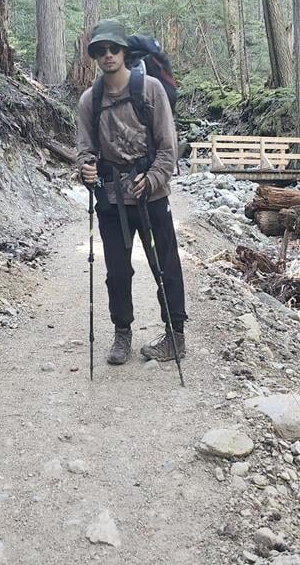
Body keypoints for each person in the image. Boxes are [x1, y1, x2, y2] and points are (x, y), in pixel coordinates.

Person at [76, 19, 187, 366]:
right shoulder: (89, 101)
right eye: (100, 50)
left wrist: (152, 179)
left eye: (113, 49)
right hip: (111, 200)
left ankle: (175, 337)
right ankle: (122, 334)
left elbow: (168, 148)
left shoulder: (150, 90)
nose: (107, 55)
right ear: (94, 56)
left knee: (165, 266)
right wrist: (86, 169)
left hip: (152, 198)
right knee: (118, 272)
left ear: (124, 52)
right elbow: (84, 150)